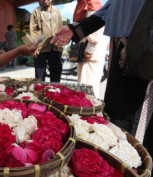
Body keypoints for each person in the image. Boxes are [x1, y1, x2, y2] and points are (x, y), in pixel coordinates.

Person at [51, 0, 153, 172]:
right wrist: (75, 29)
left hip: (144, 45)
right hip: (121, 40)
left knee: (135, 135)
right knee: (116, 122)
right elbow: (114, 6)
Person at [73, 0, 109, 98]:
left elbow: (95, 32)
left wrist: (89, 50)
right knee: (84, 84)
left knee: (87, 85)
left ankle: (89, 111)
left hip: (90, 53)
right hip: (87, 50)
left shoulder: (91, 4)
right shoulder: (85, 4)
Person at [29, 0, 63, 82]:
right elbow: (32, 31)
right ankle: (40, 93)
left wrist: (61, 46)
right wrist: (34, 47)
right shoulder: (36, 12)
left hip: (55, 47)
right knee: (39, 77)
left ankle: (55, 93)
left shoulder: (57, 11)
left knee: (56, 75)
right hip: (40, 49)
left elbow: (60, 28)